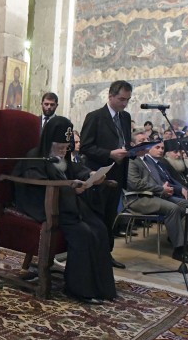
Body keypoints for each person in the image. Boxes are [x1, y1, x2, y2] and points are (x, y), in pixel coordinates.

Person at [13, 116, 116, 304]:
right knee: (83, 232)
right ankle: (79, 290)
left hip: (67, 205)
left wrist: (91, 175)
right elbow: (37, 184)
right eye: (58, 145)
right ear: (48, 139)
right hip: (43, 205)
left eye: (65, 146)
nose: (62, 149)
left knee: (99, 228)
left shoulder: (63, 157)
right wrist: (70, 187)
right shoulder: (34, 156)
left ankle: (102, 288)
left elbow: (77, 170)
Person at [126, 133, 188, 265]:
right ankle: (179, 250)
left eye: (147, 139)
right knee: (173, 208)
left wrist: (165, 189)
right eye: (142, 140)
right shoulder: (131, 160)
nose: (147, 142)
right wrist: (161, 189)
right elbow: (135, 184)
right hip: (139, 198)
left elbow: (160, 180)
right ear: (133, 144)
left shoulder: (147, 160)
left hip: (155, 195)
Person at [80, 80, 133, 269]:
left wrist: (134, 151)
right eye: (121, 99)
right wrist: (109, 153)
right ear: (110, 96)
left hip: (118, 174)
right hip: (100, 175)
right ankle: (94, 255)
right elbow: (85, 147)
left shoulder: (125, 117)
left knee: (111, 216)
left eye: (127, 100)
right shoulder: (95, 117)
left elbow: (124, 143)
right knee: (98, 217)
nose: (124, 104)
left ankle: (107, 254)